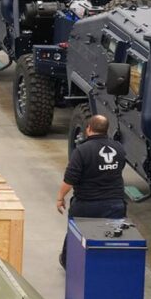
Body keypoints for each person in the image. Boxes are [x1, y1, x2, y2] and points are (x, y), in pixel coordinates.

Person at [57, 114, 127, 267]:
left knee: (76, 235)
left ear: (88, 129)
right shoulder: (119, 148)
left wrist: (60, 197)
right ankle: (105, 266)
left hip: (86, 205)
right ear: (107, 129)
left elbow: (70, 179)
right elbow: (120, 168)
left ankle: (70, 263)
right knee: (111, 238)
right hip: (114, 204)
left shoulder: (82, 151)